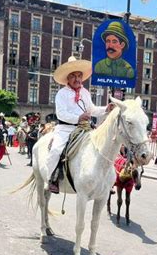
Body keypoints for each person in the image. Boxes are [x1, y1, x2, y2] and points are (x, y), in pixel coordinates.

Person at [46, 56, 112, 194]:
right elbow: (61, 114)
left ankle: (103, 181)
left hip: (85, 129)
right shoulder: (61, 94)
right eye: (73, 76)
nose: (77, 79)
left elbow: (92, 110)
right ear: (68, 79)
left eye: (79, 76)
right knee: (56, 150)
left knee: (101, 147)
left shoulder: (85, 93)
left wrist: (106, 109)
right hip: (65, 129)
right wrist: (78, 117)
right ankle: (52, 178)